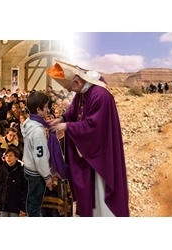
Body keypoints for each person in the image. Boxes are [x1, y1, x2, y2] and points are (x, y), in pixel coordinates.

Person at [46, 59, 130, 217]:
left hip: (101, 153)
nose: (72, 92)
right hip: (89, 152)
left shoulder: (100, 95)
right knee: (90, 190)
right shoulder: (83, 91)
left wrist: (67, 127)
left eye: (71, 88)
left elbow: (94, 126)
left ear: (77, 81)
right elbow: (73, 111)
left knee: (100, 191)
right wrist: (62, 119)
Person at [22, 92, 55, 217]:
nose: (47, 109)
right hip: (36, 173)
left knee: (31, 200)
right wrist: (47, 177)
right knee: (35, 204)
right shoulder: (37, 132)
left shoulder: (28, 121)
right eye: (45, 107)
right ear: (38, 109)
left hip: (29, 167)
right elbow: (40, 157)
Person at [0, 147, 27, 217]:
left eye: (10, 156)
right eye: (6, 156)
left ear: (16, 158)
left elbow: (25, 190)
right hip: (2, 205)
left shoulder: (22, 172)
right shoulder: (0, 170)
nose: (8, 158)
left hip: (16, 206)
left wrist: (23, 207)